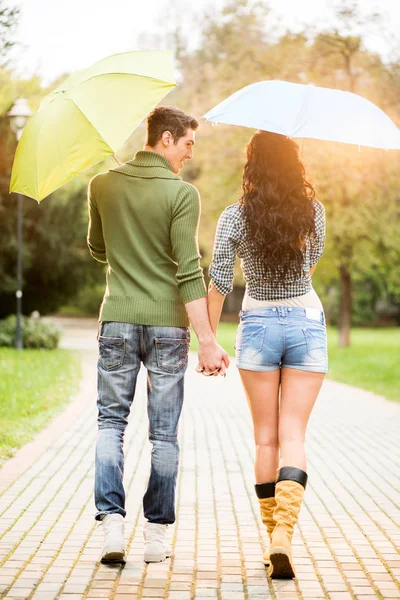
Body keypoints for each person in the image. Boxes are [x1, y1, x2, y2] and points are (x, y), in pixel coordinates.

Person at [87, 106, 229, 564]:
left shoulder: (102, 185)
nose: (190, 153)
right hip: (169, 324)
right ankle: (154, 536)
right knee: (164, 435)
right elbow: (189, 271)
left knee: (111, 423)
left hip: (118, 320)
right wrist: (207, 339)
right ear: (165, 139)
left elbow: (98, 249)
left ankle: (111, 525)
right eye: (188, 143)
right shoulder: (182, 195)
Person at [207, 131, 327, 579]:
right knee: (294, 434)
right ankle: (285, 538)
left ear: (251, 165)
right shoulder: (313, 212)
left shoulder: (233, 217)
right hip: (304, 321)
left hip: (256, 323)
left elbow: (219, 280)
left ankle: (270, 535)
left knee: (265, 439)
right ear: (294, 163)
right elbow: (309, 266)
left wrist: (208, 339)